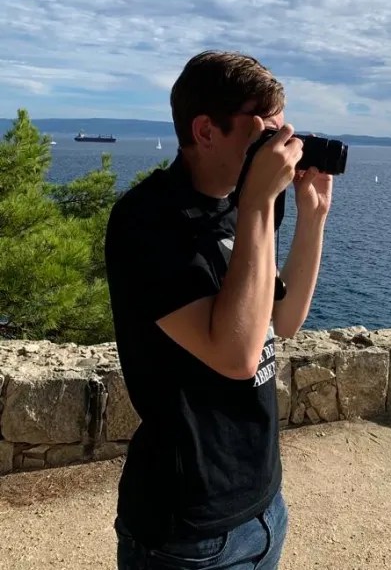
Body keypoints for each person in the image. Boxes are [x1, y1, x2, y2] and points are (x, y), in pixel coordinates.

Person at [105, 51, 333, 569]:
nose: (283, 147)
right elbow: (236, 356)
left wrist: (312, 218)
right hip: (186, 529)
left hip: (262, 502)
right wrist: (256, 204)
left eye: (283, 131)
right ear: (206, 131)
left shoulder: (250, 202)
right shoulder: (146, 221)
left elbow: (285, 320)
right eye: (264, 134)